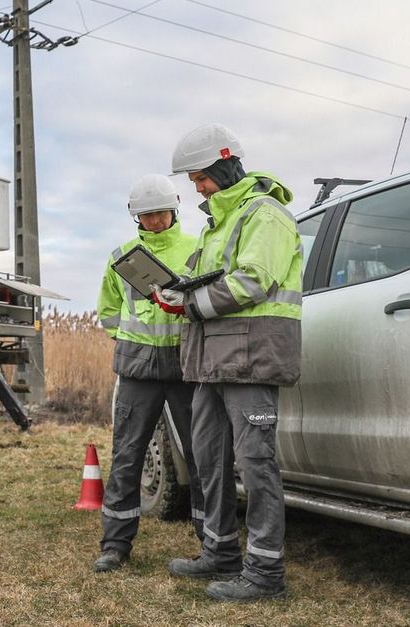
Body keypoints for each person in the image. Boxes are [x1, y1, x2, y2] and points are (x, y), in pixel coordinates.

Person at [160, 123, 302, 602]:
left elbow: (252, 281)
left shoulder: (266, 214)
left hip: (251, 358)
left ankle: (264, 574)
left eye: (199, 177)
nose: (196, 187)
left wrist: (190, 304)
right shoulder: (218, 222)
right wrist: (173, 289)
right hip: (213, 362)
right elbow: (205, 281)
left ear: (224, 166)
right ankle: (219, 553)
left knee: (256, 463)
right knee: (208, 460)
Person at [92, 173, 204, 573]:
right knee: (127, 455)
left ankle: (212, 545)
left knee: (200, 454)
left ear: (174, 210)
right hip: (137, 367)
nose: (155, 221)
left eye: (160, 214)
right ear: (135, 216)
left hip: (186, 365)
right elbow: (107, 310)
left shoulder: (197, 248)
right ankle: (115, 545)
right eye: (147, 216)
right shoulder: (122, 255)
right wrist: (125, 339)